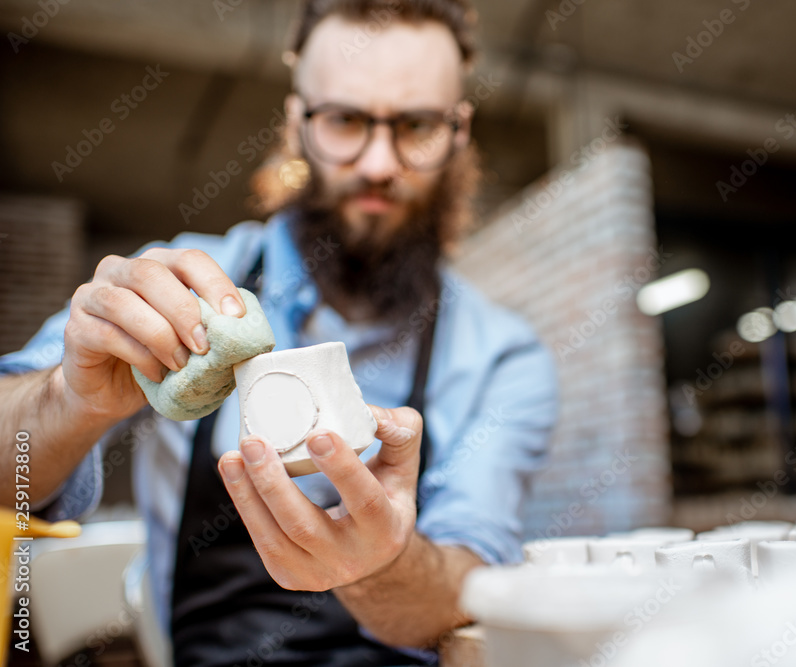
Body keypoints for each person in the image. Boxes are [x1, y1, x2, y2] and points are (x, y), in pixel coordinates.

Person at [0, 0, 558, 663]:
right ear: (297, 123)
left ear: (459, 131)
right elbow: (12, 484)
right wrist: (71, 399)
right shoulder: (175, 285)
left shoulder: (503, 354)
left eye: (415, 125)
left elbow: (468, 587)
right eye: (346, 119)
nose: (380, 162)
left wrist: (381, 561)